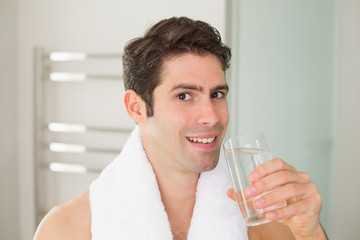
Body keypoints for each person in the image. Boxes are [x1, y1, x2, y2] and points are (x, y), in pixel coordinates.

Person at [33, 17, 327, 240]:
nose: (210, 116)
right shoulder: (69, 228)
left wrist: (310, 232)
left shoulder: (266, 216)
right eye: (184, 96)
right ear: (136, 107)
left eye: (217, 94)